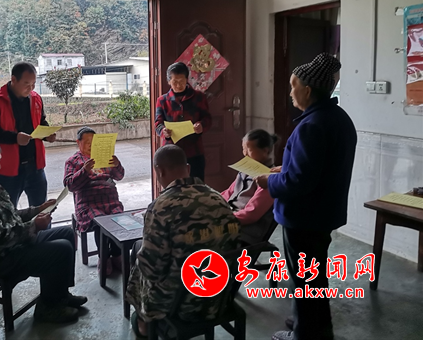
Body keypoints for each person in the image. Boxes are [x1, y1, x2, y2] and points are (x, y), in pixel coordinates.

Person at [255, 53, 357, 340]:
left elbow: (300, 181)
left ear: (308, 90)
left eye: (293, 86)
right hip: (324, 212)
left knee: (305, 278)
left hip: (305, 216)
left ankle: (306, 333)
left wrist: (269, 180)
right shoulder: (337, 118)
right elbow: (316, 168)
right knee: (313, 275)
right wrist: (285, 167)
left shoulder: (311, 126)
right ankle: (315, 325)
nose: (290, 92)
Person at [0, 139, 87, 323]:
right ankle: (48, 308)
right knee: (61, 249)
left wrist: (37, 210)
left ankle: (60, 295)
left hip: (15, 244)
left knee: (67, 233)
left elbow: (10, 215)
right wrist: (34, 226)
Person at [125, 145, 241, 338]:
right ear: (188, 168)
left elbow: (152, 270)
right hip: (218, 297)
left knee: (140, 261)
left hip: (180, 305)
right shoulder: (218, 199)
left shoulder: (160, 207)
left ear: (159, 171)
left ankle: (144, 323)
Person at [0, 61, 56, 208]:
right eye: (26, 83)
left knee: (41, 211)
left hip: (35, 166)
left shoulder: (36, 98)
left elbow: (41, 122)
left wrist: (47, 134)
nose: (31, 88)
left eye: (33, 84)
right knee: (7, 212)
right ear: (14, 79)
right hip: (8, 168)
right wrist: (15, 138)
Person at [63, 126, 124, 276]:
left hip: (109, 199)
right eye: (87, 142)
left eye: (93, 142)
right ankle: (104, 257)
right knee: (100, 222)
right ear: (78, 142)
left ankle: (117, 254)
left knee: (118, 219)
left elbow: (119, 176)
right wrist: (84, 171)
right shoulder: (73, 161)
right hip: (88, 202)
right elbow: (70, 185)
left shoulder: (105, 156)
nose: (91, 145)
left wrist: (117, 165)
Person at [155, 62, 212, 181]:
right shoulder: (162, 100)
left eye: (181, 81)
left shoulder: (199, 97)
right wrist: (163, 131)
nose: (178, 85)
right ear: (169, 81)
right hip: (171, 152)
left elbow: (207, 118)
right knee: (173, 186)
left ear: (187, 79)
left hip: (194, 151)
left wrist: (201, 125)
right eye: (175, 81)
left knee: (196, 185)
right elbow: (158, 123)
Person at [222, 129, 278, 244]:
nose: (245, 154)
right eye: (243, 149)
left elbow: (252, 214)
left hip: (246, 230)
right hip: (231, 218)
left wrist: (224, 219)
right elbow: (229, 193)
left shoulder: (269, 178)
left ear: (265, 151)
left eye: (249, 150)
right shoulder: (246, 169)